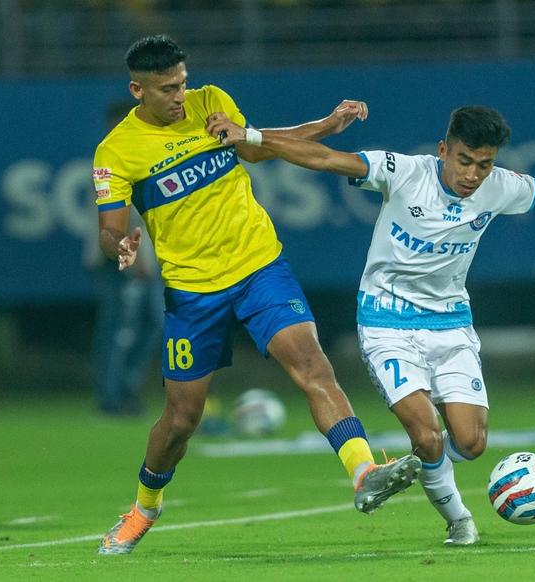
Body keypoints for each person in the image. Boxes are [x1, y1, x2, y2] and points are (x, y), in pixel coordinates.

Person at [210, 105, 535, 545]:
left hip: (451, 324)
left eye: (484, 165)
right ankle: (459, 521)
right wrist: (251, 137)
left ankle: (417, 467)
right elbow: (327, 158)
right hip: (386, 322)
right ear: (443, 149)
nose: (472, 175)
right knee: (427, 435)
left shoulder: (499, 187)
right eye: (464, 160)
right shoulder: (403, 171)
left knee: (470, 443)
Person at [92, 34, 422, 555]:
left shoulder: (210, 101)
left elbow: (256, 146)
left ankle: (363, 472)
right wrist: (123, 243)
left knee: (312, 364)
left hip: (258, 265)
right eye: (166, 89)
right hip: (193, 290)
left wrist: (326, 125)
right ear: (138, 90)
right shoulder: (115, 152)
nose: (180, 96)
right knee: (181, 420)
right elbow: (108, 228)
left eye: (182, 83)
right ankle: (143, 509)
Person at [87, 100, 163, 416]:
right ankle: (111, 397)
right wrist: (135, 259)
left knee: (152, 324)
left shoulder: (143, 157)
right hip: (117, 261)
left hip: (148, 262)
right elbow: (114, 219)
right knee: (119, 330)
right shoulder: (108, 160)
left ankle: (124, 389)